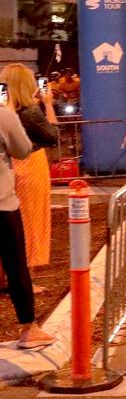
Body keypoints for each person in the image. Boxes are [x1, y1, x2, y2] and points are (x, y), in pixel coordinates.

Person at [0, 101, 53, 349]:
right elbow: (23, 150)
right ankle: (28, 329)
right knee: (15, 266)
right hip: (2, 204)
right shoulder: (4, 116)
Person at [2, 64, 57, 276]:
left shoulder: (5, 111)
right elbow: (52, 136)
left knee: (8, 220)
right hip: (31, 165)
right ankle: (28, 277)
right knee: (30, 221)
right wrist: (49, 105)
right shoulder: (31, 112)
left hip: (7, 167)